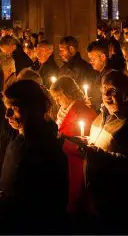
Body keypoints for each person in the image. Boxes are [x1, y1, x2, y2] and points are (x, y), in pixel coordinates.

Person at [0, 80, 68, 233]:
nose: (7, 115)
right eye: (7, 108)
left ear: (31, 109)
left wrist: (9, 203)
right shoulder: (18, 139)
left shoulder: (46, 150)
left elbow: (47, 203)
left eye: (14, 109)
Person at [84, 70, 128, 234]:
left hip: (117, 203)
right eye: (104, 89)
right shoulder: (102, 117)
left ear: (127, 94)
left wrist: (93, 153)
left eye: (113, 90)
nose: (106, 95)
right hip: (99, 198)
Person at [50, 76, 96, 216]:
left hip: (77, 160)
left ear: (68, 93)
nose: (56, 101)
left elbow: (86, 137)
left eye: (58, 96)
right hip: (66, 158)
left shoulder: (82, 110)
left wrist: (62, 138)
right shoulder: (63, 110)